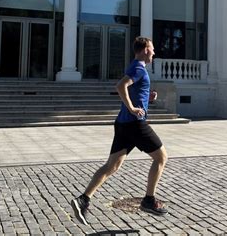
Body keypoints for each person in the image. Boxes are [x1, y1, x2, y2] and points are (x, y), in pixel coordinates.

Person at [71, 36, 168, 225]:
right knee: (161, 157)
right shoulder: (139, 67)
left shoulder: (135, 67)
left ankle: (83, 199)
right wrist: (133, 109)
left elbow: (131, 90)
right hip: (135, 123)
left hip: (123, 124)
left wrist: (146, 99)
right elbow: (121, 85)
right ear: (146, 49)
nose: (154, 53)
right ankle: (149, 200)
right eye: (153, 49)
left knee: (112, 166)